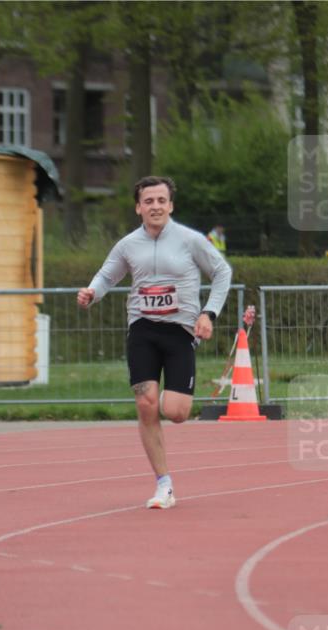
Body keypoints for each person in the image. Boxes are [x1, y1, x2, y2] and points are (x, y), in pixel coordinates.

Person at [77, 176, 232, 509]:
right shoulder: (128, 244)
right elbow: (107, 276)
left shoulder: (191, 241)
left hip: (180, 331)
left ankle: (167, 395)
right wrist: (93, 292)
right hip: (143, 328)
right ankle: (164, 485)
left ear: (171, 205)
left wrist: (209, 314)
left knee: (176, 412)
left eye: (161, 200)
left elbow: (222, 273)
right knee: (145, 404)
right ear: (138, 207)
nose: (156, 206)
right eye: (149, 201)